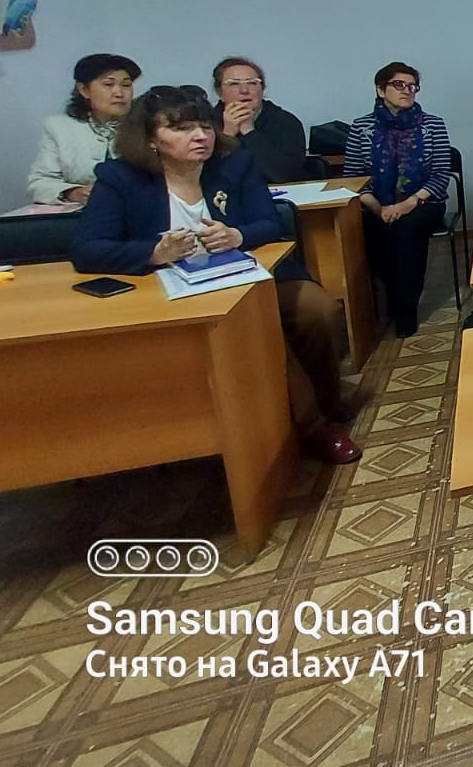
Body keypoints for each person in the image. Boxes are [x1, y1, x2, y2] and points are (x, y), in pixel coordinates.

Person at [70, 86, 360, 463]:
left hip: (246, 276)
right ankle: (313, 427)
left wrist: (238, 235)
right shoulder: (120, 178)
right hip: (168, 289)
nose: (200, 136)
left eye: (205, 126)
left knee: (315, 309)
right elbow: (87, 249)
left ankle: (326, 397)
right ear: (150, 140)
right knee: (252, 329)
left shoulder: (233, 164)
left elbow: (271, 222)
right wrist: (153, 253)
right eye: (181, 129)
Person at [343, 62, 452, 338]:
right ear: (381, 90)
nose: (407, 91)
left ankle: (406, 309)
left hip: (423, 202)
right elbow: (353, 178)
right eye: (399, 85)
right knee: (371, 231)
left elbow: (441, 175)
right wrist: (377, 206)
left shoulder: (432, 125)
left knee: (407, 230)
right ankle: (390, 300)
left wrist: (406, 204)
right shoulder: (361, 127)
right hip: (375, 204)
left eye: (412, 86)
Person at [28, 53, 141, 205]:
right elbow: (40, 183)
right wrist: (73, 193)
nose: (119, 93)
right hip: (84, 211)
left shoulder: (144, 124)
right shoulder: (58, 128)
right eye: (108, 84)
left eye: (126, 85)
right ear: (84, 90)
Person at [211, 55, 308, 183]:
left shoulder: (286, 122)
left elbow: (287, 176)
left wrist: (249, 132)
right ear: (220, 93)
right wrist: (228, 135)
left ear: (262, 89)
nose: (244, 90)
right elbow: (205, 176)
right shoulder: (207, 123)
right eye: (234, 84)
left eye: (252, 83)